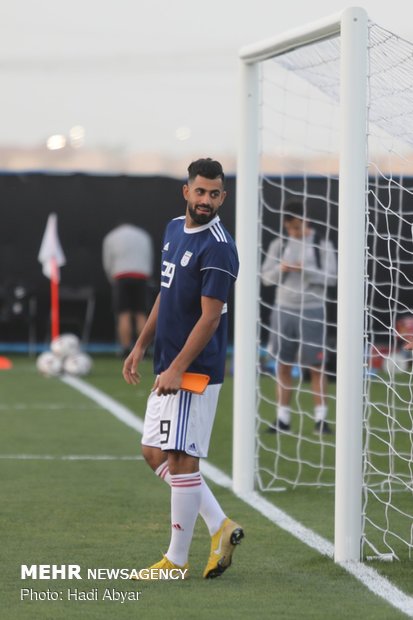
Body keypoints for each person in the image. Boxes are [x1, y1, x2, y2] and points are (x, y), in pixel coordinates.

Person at [123, 158, 243, 579]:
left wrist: (176, 368)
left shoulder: (220, 247)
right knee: (154, 452)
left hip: (193, 372)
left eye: (214, 194)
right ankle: (220, 525)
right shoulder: (175, 229)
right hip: (167, 365)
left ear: (222, 197)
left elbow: (210, 318)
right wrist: (140, 344)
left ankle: (175, 561)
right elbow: (166, 293)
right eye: (200, 191)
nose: (206, 199)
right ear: (186, 191)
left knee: (181, 457)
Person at [261, 200, 337, 435]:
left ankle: (321, 420)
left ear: (307, 221)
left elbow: (333, 279)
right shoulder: (279, 244)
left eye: (297, 227)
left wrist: (307, 270)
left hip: (313, 310)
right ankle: (282, 419)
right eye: (290, 228)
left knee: (316, 366)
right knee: (283, 365)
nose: (294, 232)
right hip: (283, 310)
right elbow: (265, 278)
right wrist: (282, 269)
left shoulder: (321, 244)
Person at [102, 223, 154, 357]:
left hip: (121, 277)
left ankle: (125, 349)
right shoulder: (143, 236)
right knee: (141, 313)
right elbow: (149, 257)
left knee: (123, 313)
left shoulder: (111, 237)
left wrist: (111, 278)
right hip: (141, 277)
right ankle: (144, 348)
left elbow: (108, 261)